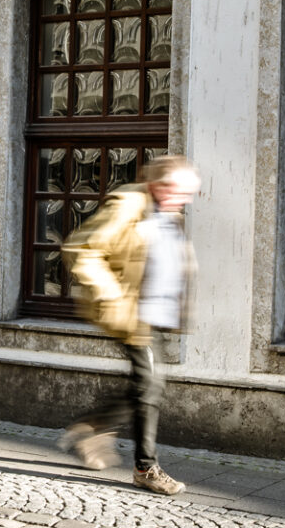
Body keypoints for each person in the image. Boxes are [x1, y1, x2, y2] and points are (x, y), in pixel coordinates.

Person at [57, 155, 199, 495]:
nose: (186, 200)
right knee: (149, 387)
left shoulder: (167, 212)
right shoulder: (129, 205)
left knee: (144, 385)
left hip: (155, 314)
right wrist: (112, 296)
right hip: (130, 314)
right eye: (181, 192)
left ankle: (91, 428)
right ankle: (146, 468)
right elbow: (82, 247)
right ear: (159, 186)